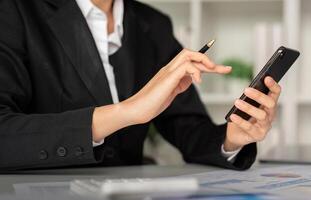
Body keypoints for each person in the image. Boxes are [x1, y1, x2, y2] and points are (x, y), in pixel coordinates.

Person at [0, 0, 281, 170]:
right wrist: (128, 111)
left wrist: (233, 138)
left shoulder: (153, 24)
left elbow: (189, 129)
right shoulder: (14, 11)